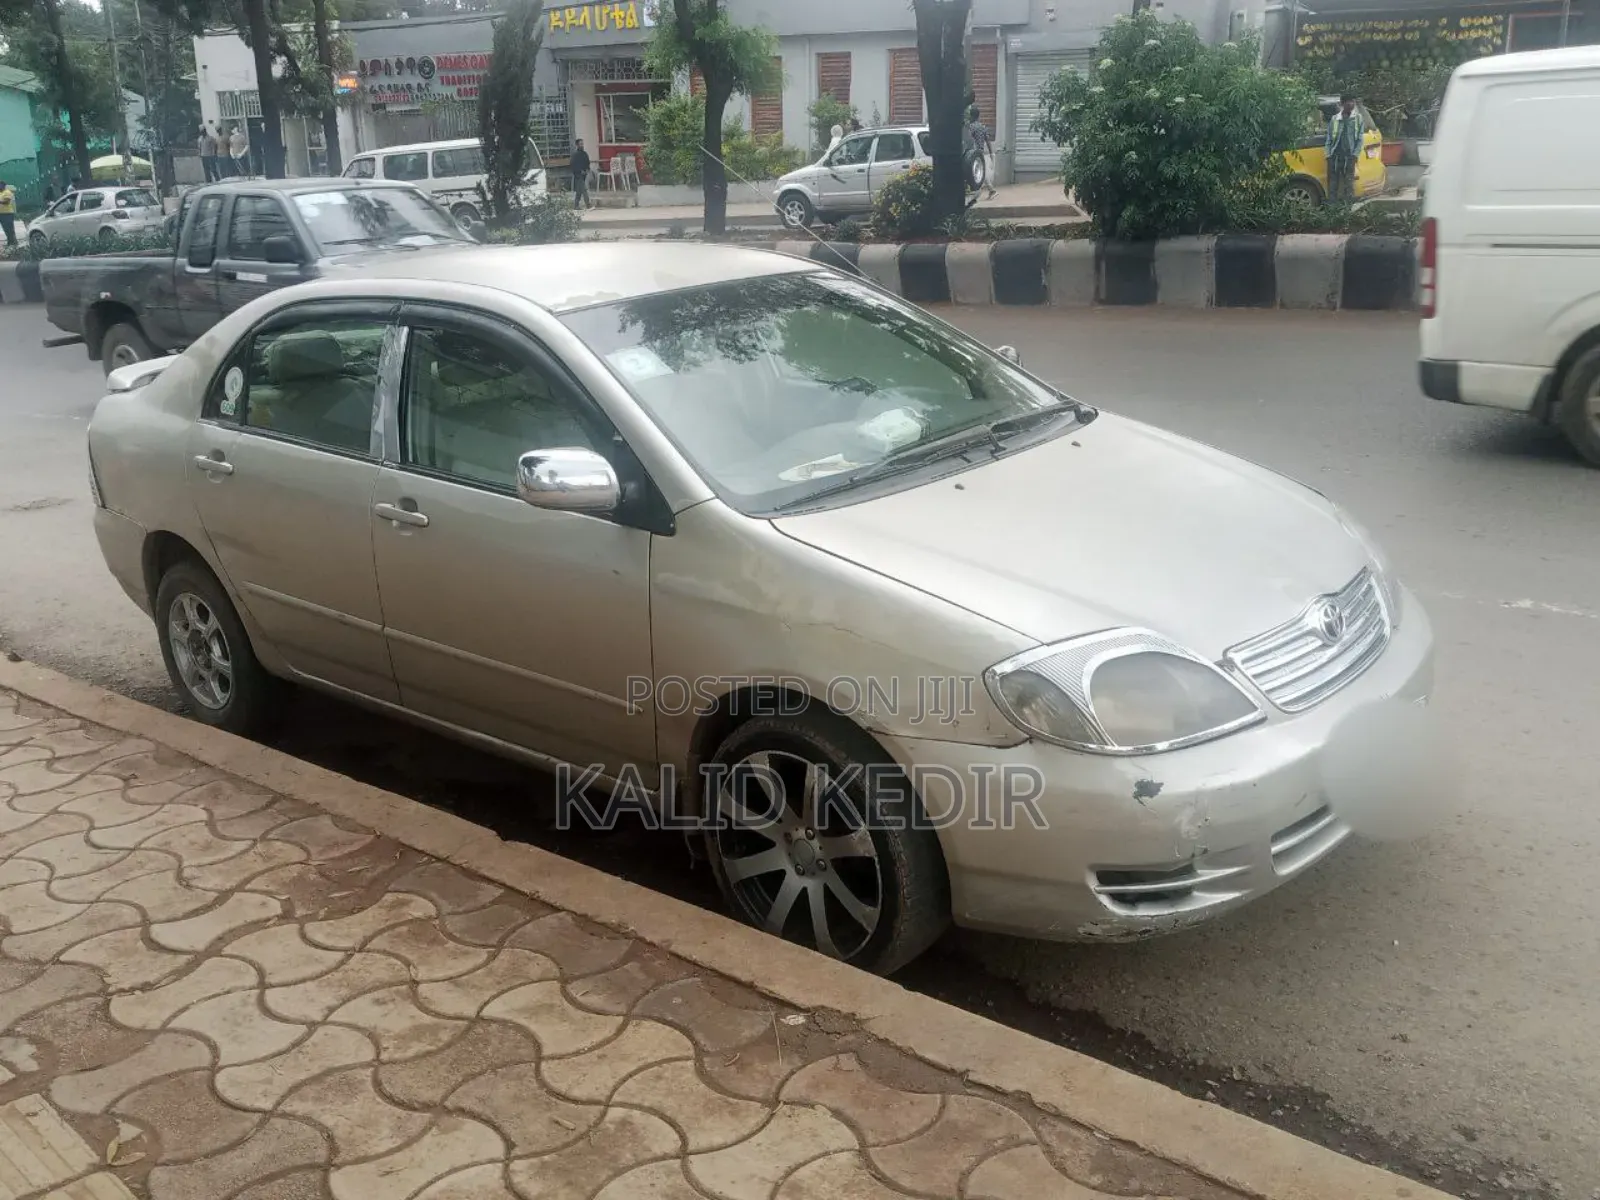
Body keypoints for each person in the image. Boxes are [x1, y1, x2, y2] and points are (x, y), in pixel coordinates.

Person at [1325, 93, 1364, 205]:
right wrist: (1328, 155)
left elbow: (1360, 139)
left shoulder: (1358, 118)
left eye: (1353, 101)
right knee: (1333, 185)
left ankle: (1348, 209)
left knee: (1349, 185)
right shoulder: (1335, 119)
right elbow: (1329, 139)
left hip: (1349, 157)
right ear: (1342, 104)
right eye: (1349, 102)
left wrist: (1355, 155)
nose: (1351, 104)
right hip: (1335, 157)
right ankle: (1332, 209)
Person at [968, 105, 997, 199]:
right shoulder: (982, 127)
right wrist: (991, 153)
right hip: (981, 152)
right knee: (980, 172)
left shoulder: (971, 127)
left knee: (976, 172)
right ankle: (987, 190)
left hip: (974, 153)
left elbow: (969, 140)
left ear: (971, 116)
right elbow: (988, 141)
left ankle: (988, 190)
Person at [570, 138, 592, 209]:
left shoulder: (584, 154)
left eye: (582, 144)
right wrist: (580, 171)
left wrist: (587, 169)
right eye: (580, 144)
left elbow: (587, 163)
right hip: (578, 175)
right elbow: (573, 165)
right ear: (577, 145)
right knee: (584, 189)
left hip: (584, 175)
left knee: (579, 191)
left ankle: (576, 205)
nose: (582, 145)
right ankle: (588, 205)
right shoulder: (575, 155)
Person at [0, 180, 15, 248]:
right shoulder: (0, 193)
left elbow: (7, 202)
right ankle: (10, 242)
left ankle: (13, 243)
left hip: (7, 214)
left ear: (3, 185)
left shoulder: (7, 192)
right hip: (1, 214)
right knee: (5, 229)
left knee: (9, 229)